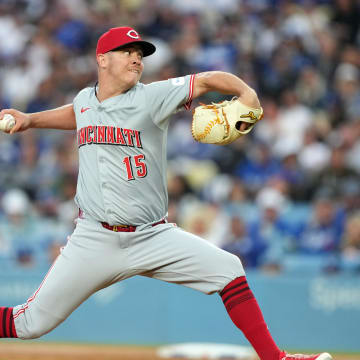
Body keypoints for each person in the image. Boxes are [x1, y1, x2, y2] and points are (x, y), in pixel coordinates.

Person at [0, 26, 331, 360]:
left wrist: (247, 94)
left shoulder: (152, 96)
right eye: (127, 51)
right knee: (29, 324)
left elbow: (206, 79)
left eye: (139, 54)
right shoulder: (86, 100)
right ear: (102, 59)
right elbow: (77, 114)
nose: (136, 59)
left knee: (229, 269)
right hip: (94, 238)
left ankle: (276, 358)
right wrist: (30, 119)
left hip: (151, 236)